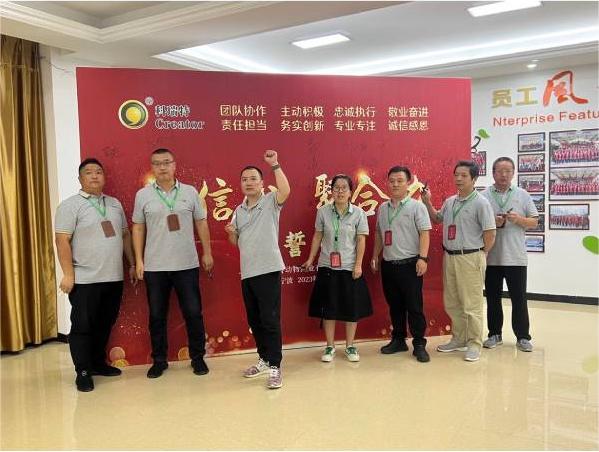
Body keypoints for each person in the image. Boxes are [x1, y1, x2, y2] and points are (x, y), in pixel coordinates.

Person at [55, 158, 137, 392]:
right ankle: (82, 371)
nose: (94, 176)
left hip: (113, 278)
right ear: (80, 178)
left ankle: (98, 363)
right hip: (84, 279)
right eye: (89, 172)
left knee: (105, 323)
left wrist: (132, 263)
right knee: (82, 326)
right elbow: (62, 241)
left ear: (104, 177)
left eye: (98, 172)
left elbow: (125, 235)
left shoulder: (114, 204)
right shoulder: (70, 206)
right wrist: (68, 274)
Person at [132, 148, 213, 379]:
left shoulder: (190, 192)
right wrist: (139, 260)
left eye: (166, 162)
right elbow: (138, 227)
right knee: (157, 315)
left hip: (186, 264)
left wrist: (207, 253)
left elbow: (201, 222)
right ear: (152, 167)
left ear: (174, 165)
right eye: (157, 163)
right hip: (155, 267)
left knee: (193, 313)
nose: (162, 167)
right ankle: (159, 360)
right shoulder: (143, 195)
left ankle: (197, 357)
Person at [225, 150, 290, 389]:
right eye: (245, 179)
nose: (249, 182)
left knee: (270, 320)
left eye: (253, 178)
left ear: (262, 183)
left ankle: (275, 366)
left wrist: (275, 165)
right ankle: (263, 359)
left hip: (268, 269)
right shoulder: (238, 211)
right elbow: (236, 243)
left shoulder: (271, 201)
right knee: (255, 320)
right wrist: (231, 233)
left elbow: (285, 191)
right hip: (248, 272)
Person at [421, 160, 496, 362]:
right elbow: (437, 219)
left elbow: (490, 233)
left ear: (474, 179)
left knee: (472, 304)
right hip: (450, 256)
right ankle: (459, 339)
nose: (459, 179)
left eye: (464, 175)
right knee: (453, 302)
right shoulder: (450, 201)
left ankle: (474, 344)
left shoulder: (481, 203)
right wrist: (427, 202)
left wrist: (481, 254)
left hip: (471, 257)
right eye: (456, 175)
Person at [303, 174, 372, 363]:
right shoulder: (323, 212)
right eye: (336, 188)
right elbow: (317, 236)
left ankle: (350, 346)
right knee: (329, 308)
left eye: (344, 188)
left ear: (350, 192)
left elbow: (361, 240)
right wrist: (311, 259)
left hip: (349, 267)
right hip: (327, 266)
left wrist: (358, 265)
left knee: (351, 309)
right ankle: (330, 346)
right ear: (331, 191)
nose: (340, 191)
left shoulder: (358, 213)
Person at [371, 166, 432, 363]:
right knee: (395, 305)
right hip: (389, 265)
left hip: (410, 264)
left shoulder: (417, 207)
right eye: (392, 181)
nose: (395, 184)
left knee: (414, 306)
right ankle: (398, 339)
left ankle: (419, 343)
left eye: (399, 181)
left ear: (408, 183)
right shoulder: (383, 208)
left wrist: (423, 258)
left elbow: (424, 233)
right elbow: (379, 233)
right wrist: (375, 256)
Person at [482, 157, 538, 352]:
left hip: (516, 257)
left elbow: (534, 221)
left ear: (513, 173)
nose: (503, 175)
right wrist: (493, 223)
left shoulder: (523, 195)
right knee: (492, 299)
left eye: (508, 171)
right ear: (493, 173)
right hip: (491, 257)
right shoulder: (484, 196)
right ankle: (494, 334)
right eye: (500, 171)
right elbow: (477, 225)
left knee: (519, 299)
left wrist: (519, 219)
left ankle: (522, 337)